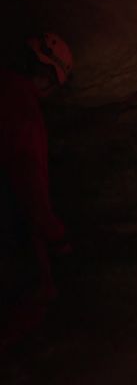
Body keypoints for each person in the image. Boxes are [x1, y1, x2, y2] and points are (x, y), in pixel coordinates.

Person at [0, 32, 73, 349]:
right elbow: (28, 175)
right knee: (35, 293)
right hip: (9, 215)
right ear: (46, 77)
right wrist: (54, 234)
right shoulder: (22, 105)